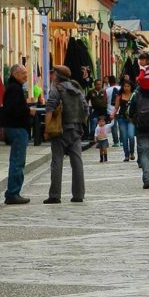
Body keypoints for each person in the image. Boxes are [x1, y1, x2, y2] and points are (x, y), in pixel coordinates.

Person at [44, 65, 88, 204]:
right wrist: (82, 125)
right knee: (77, 163)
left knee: (57, 162)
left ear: (57, 75)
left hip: (60, 130)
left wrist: (47, 129)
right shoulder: (77, 89)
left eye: (53, 73)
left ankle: (55, 195)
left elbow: (50, 109)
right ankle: (78, 194)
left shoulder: (57, 89)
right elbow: (86, 108)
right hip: (76, 130)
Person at [0, 64, 32, 205]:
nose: (26, 75)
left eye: (26, 72)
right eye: (23, 73)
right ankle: (13, 193)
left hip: (15, 127)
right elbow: (15, 110)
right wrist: (29, 111)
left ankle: (14, 192)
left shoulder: (14, 88)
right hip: (17, 128)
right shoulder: (15, 89)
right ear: (15, 74)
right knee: (18, 161)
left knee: (17, 160)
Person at [113, 79, 136, 162]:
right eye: (125, 86)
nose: (126, 88)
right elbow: (116, 107)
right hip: (121, 118)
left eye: (128, 86)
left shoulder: (134, 95)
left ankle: (132, 153)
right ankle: (126, 155)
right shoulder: (119, 95)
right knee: (124, 137)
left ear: (131, 87)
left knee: (131, 135)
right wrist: (113, 114)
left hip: (131, 118)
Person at [104, 76, 120, 146]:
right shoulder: (120, 88)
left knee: (113, 126)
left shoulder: (107, 90)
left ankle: (116, 141)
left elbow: (104, 101)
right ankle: (122, 140)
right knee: (121, 125)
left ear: (109, 82)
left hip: (110, 110)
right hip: (120, 109)